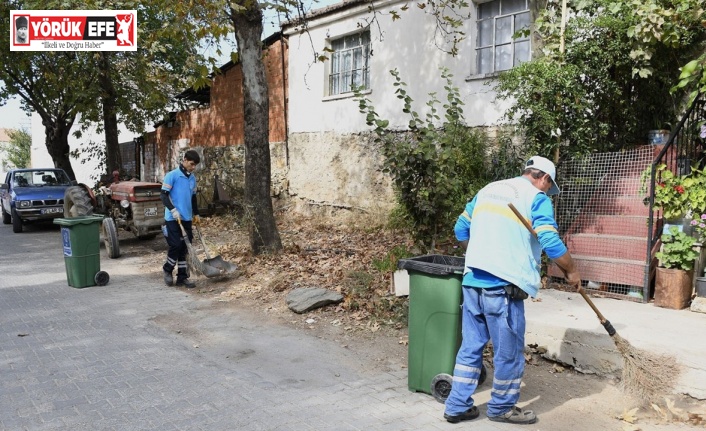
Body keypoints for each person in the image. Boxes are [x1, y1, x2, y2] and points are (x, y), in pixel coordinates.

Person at [443, 155, 581, 425]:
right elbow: (550, 240)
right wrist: (572, 271)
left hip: (472, 282)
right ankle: (502, 408)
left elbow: (460, 228)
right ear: (544, 178)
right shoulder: (535, 197)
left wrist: (479, 254)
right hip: (502, 286)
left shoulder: (488, 190)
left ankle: (457, 405)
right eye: (547, 187)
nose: (546, 192)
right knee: (508, 351)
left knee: (470, 347)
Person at [160, 150, 201, 288]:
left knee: (185, 248)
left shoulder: (192, 178)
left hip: (187, 218)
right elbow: (164, 196)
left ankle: (182, 277)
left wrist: (196, 214)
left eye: (195, 165)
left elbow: (193, 198)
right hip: (173, 218)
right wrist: (172, 210)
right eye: (192, 164)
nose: (193, 167)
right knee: (176, 245)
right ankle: (167, 270)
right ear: (184, 160)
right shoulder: (172, 176)